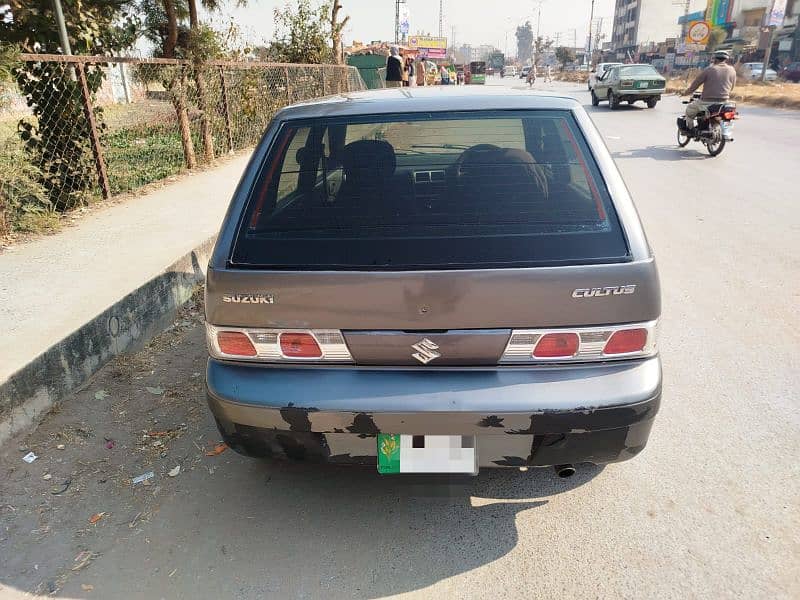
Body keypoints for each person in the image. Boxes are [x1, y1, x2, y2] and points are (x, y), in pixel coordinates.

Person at [681, 50, 737, 129]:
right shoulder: (732, 70)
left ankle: (690, 129)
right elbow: (732, 87)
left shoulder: (709, 69)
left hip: (706, 102)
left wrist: (685, 93)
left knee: (690, 109)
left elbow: (695, 85)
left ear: (715, 59)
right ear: (726, 59)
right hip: (724, 102)